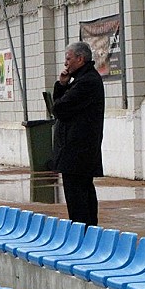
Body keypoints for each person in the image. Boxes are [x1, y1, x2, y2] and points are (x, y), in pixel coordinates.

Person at [51, 41, 105, 227]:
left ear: (80, 59)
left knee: (79, 198)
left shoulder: (87, 82)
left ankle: (84, 233)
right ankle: (86, 232)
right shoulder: (80, 80)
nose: (66, 63)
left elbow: (59, 108)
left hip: (78, 151)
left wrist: (61, 86)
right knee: (81, 194)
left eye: (68, 58)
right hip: (76, 150)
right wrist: (63, 85)